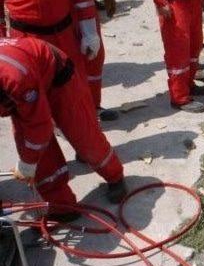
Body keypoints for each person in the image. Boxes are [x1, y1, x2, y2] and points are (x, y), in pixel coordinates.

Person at [0, 37, 126, 220]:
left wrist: (27, 165)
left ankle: (115, 176)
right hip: (20, 88)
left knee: (84, 136)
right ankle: (62, 207)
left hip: (57, 78)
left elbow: (40, 126)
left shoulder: (16, 76)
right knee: (38, 156)